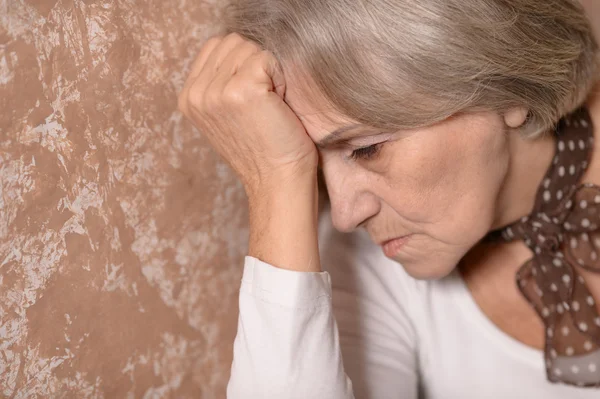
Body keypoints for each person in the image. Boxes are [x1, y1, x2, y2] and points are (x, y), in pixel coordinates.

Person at [178, 0, 600, 397]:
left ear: (506, 84)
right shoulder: (362, 261)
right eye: (317, 168)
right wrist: (277, 181)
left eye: (367, 149)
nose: (344, 214)